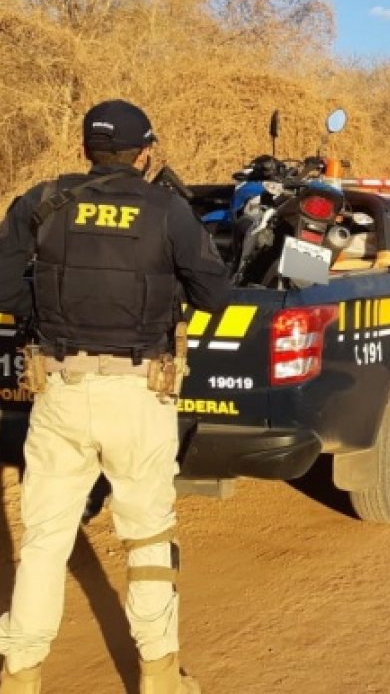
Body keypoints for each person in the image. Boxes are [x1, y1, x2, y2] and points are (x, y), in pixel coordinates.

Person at [0, 100, 230, 693]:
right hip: (139, 395)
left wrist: (45, 318)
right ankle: (158, 677)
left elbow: (4, 286)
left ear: (85, 149)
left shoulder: (42, 200)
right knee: (147, 535)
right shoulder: (167, 210)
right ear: (145, 152)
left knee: (46, 540)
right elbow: (216, 297)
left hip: (60, 390)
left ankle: (20, 677)